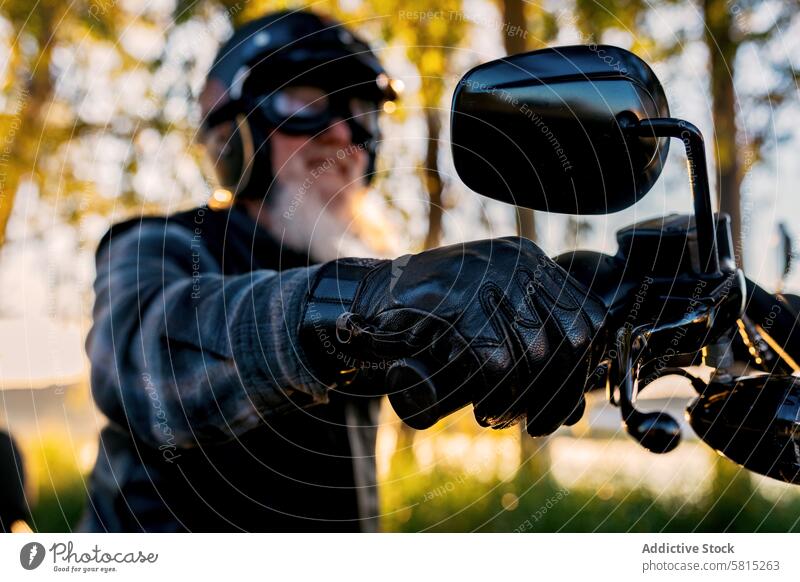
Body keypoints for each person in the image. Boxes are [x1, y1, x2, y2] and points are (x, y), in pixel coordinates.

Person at [79, 9, 606, 533]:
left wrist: (594, 314)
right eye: (305, 103)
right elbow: (147, 364)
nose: (342, 136)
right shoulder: (158, 244)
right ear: (233, 132)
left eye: (362, 112)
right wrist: (367, 302)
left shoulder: (356, 275)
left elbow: (479, 348)